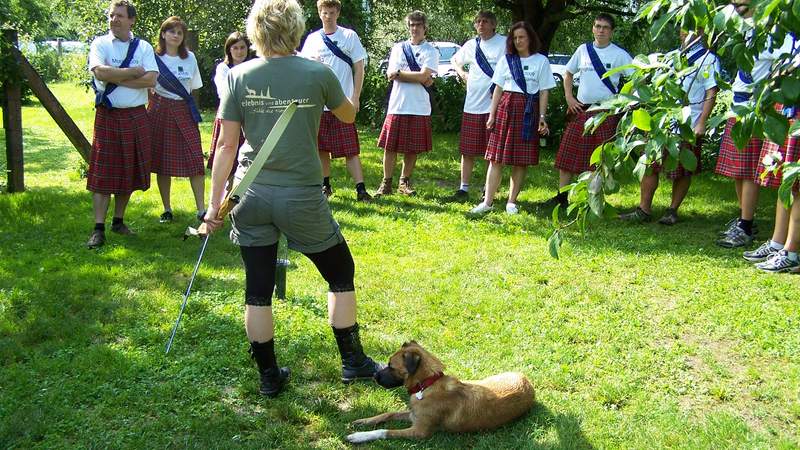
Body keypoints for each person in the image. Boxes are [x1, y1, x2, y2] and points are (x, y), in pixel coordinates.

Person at [204, 0, 382, 398]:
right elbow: (349, 116)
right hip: (301, 193)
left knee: (257, 287)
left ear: (256, 32)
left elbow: (226, 146)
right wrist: (356, 78)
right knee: (339, 273)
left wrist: (214, 205)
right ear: (296, 28)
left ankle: (269, 376)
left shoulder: (238, 75)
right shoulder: (316, 72)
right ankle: (353, 361)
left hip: (248, 193)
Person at [714, 0, 797, 248]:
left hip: (755, 106)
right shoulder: (746, 30)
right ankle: (743, 218)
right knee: (738, 170)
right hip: (738, 103)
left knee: (749, 168)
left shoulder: (773, 33)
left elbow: (789, 62)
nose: (737, 3)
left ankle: (746, 224)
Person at [619, 30, 719, 225]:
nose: (684, 33)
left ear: (701, 32)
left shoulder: (709, 59)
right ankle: (644, 209)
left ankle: (672, 210)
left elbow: (711, 90)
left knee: (682, 169)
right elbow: (660, 89)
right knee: (649, 163)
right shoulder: (673, 57)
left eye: (691, 28)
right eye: (682, 28)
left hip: (689, 122)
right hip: (663, 123)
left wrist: (702, 122)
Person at [86, 0, 158, 249]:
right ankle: (98, 228)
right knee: (104, 173)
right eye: (111, 15)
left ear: (131, 20)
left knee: (128, 170)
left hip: (136, 115)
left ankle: (118, 221)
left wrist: (119, 74)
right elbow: (100, 73)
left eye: (119, 15)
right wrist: (133, 72)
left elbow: (151, 79)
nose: (114, 19)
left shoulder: (144, 47)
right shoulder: (100, 43)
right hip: (108, 114)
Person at [470, 21, 554, 215]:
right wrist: (492, 115)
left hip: (528, 111)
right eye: (515, 38)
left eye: (522, 37)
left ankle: (511, 202)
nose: (518, 41)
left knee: (520, 160)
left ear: (530, 38)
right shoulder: (506, 60)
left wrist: (542, 116)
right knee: (496, 158)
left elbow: (543, 92)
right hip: (506, 109)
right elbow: (497, 89)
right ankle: (487, 202)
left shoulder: (541, 61)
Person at [550, 13, 632, 208]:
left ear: (611, 32)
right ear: (593, 29)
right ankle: (562, 197)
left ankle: (590, 199)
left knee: (597, 159)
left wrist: (627, 101)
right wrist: (569, 98)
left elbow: (637, 77)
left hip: (606, 112)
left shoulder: (619, 54)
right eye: (597, 26)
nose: (601, 30)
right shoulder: (583, 50)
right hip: (581, 109)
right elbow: (568, 73)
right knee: (567, 155)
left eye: (605, 27)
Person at [300, 0, 371, 202]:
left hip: (343, 103)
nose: (328, 16)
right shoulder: (312, 40)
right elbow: (304, 70)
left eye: (331, 12)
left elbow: (359, 68)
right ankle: (325, 185)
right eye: (324, 12)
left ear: (338, 13)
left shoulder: (349, 36)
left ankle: (361, 189)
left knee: (350, 149)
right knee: (321, 147)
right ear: (319, 13)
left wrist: (355, 97)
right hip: (318, 104)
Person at [374, 10, 438, 197]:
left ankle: (404, 182)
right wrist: (416, 77)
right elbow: (390, 74)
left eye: (418, 25)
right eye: (412, 25)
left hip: (419, 106)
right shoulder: (398, 48)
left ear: (425, 28)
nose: (414, 29)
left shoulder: (430, 51)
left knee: (412, 148)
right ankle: (386, 183)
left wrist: (401, 74)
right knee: (390, 146)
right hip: (398, 104)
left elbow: (424, 76)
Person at [149, 16, 205, 224]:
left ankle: (201, 210)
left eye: (180, 33)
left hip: (183, 110)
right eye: (171, 31)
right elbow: (147, 86)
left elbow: (193, 88)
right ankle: (167, 208)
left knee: (195, 159)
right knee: (162, 161)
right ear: (163, 34)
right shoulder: (153, 58)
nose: (175, 35)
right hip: (160, 109)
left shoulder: (190, 58)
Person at [450, 11, 506, 200]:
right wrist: (461, 73)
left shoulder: (505, 43)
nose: (481, 24)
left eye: (485, 21)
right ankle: (463, 188)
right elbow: (455, 60)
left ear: (493, 25)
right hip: (472, 104)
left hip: (495, 106)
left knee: (492, 153)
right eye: (478, 22)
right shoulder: (471, 45)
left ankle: (487, 190)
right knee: (468, 150)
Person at [744, 108, 800, 272]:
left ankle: (790, 254)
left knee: (797, 182)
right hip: (790, 109)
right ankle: (778, 244)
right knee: (788, 182)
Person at [208, 32, 251, 192]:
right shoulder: (223, 68)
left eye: (242, 47)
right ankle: (219, 195)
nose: (239, 51)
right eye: (235, 48)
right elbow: (223, 92)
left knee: (242, 158)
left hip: (247, 116)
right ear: (229, 49)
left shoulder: (252, 67)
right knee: (226, 155)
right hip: (229, 116)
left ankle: (233, 194)